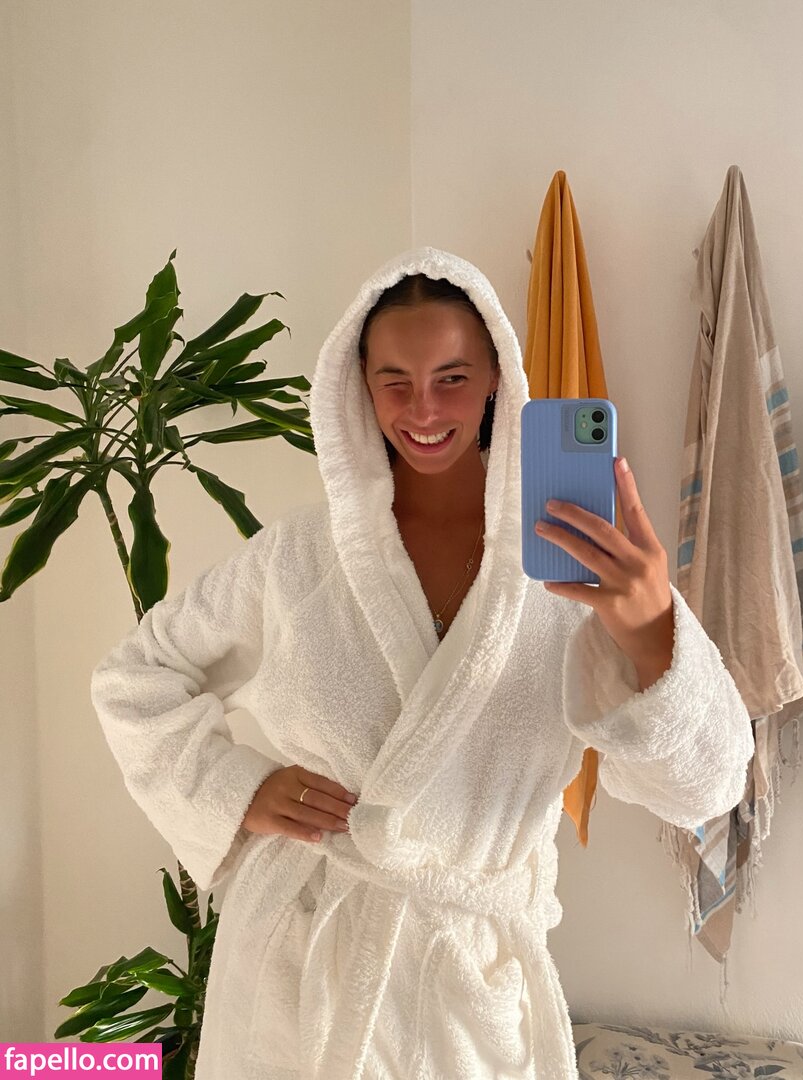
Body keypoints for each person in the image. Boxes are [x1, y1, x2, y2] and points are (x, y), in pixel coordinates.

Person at [91, 246, 754, 1080]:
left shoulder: (575, 565)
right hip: (303, 968)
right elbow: (136, 679)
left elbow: (708, 785)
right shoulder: (295, 559)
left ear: (496, 379)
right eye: (394, 380)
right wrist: (235, 787)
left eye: (452, 377)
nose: (424, 408)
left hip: (472, 984)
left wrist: (652, 625)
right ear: (358, 387)